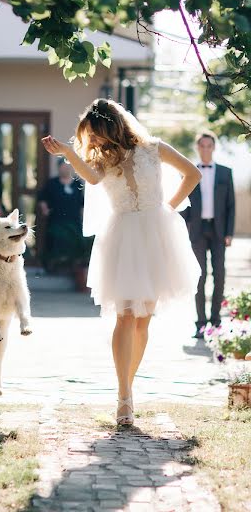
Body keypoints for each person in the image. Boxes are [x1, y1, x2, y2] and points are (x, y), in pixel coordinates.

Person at [42, 98, 201, 426]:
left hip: (157, 235)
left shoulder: (153, 148)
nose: (95, 142)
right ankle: (124, 396)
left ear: (112, 127)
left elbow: (192, 174)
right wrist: (69, 153)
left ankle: (129, 385)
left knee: (144, 319)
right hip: (123, 238)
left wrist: (168, 208)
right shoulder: (100, 161)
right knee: (125, 316)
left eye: (97, 134)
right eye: (90, 137)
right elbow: (91, 178)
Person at [181, 131, 235, 338]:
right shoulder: (189, 171)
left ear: (213, 147)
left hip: (219, 230)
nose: (205, 149)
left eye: (208, 146)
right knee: (199, 276)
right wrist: (183, 228)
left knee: (219, 275)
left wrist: (229, 232)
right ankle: (200, 324)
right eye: (202, 146)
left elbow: (231, 205)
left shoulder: (224, 172)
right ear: (197, 147)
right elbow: (184, 202)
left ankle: (216, 321)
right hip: (197, 230)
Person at [38, 159, 85, 270]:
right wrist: (44, 209)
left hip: (74, 220)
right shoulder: (52, 183)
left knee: (74, 243)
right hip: (57, 220)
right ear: (59, 168)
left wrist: (83, 217)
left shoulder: (77, 184)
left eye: (67, 167)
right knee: (56, 241)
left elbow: (82, 203)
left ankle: (72, 268)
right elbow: (42, 197)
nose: (65, 169)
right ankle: (54, 267)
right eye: (63, 167)